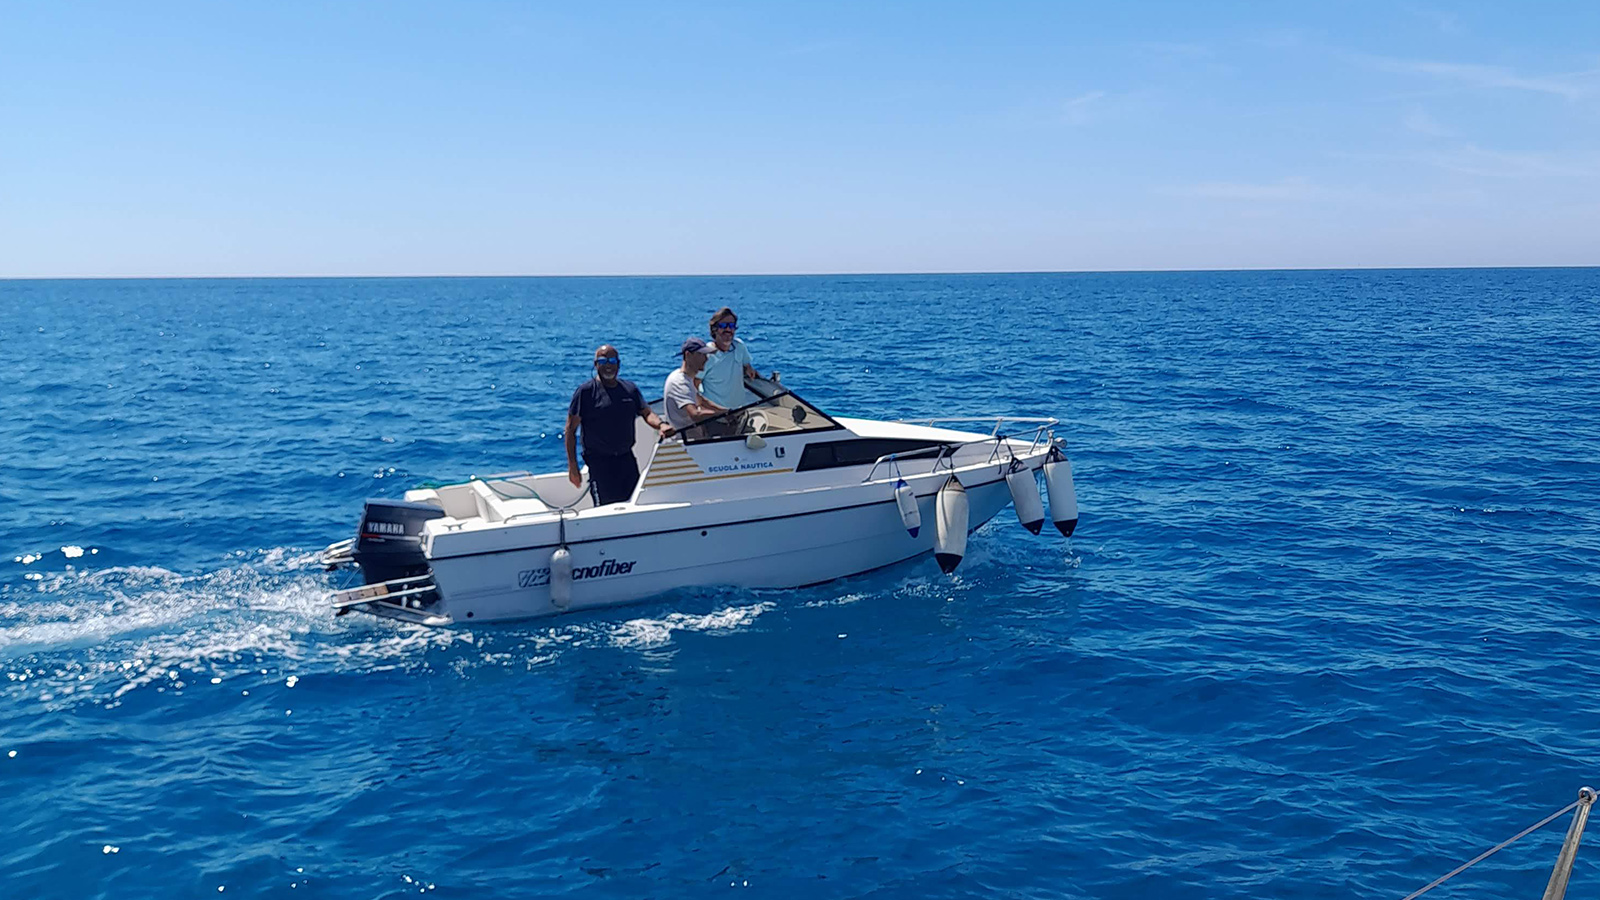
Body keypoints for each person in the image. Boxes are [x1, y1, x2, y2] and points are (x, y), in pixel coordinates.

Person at [566, 344, 672, 505]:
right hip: (600, 464)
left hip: (626, 460)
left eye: (612, 360)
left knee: (635, 504)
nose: (608, 365)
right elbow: (570, 430)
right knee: (605, 510)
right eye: (602, 361)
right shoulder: (585, 392)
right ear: (596, 365)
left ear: (618, 364)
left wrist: (661, 425)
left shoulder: (630, 389)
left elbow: (647, 413)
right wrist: (573, 467)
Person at [697, 306, 759, 409]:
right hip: (715, 416)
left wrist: (749, 370)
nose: (728, 329)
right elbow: (694, 387)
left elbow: (747, 366)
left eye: (731, 326)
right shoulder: (706, 355)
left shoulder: (739, 346)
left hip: (739, 411)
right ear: (715, 329)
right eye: (723, 325)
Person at [663, 338, 726, 433]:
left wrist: (727, 411)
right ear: (688, 355)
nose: (706, 359)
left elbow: (701, 401)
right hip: (686, 442)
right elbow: (695, 415)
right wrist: (722, 415)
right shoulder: (679, 382)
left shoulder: (687, 378)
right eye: (701, 355)